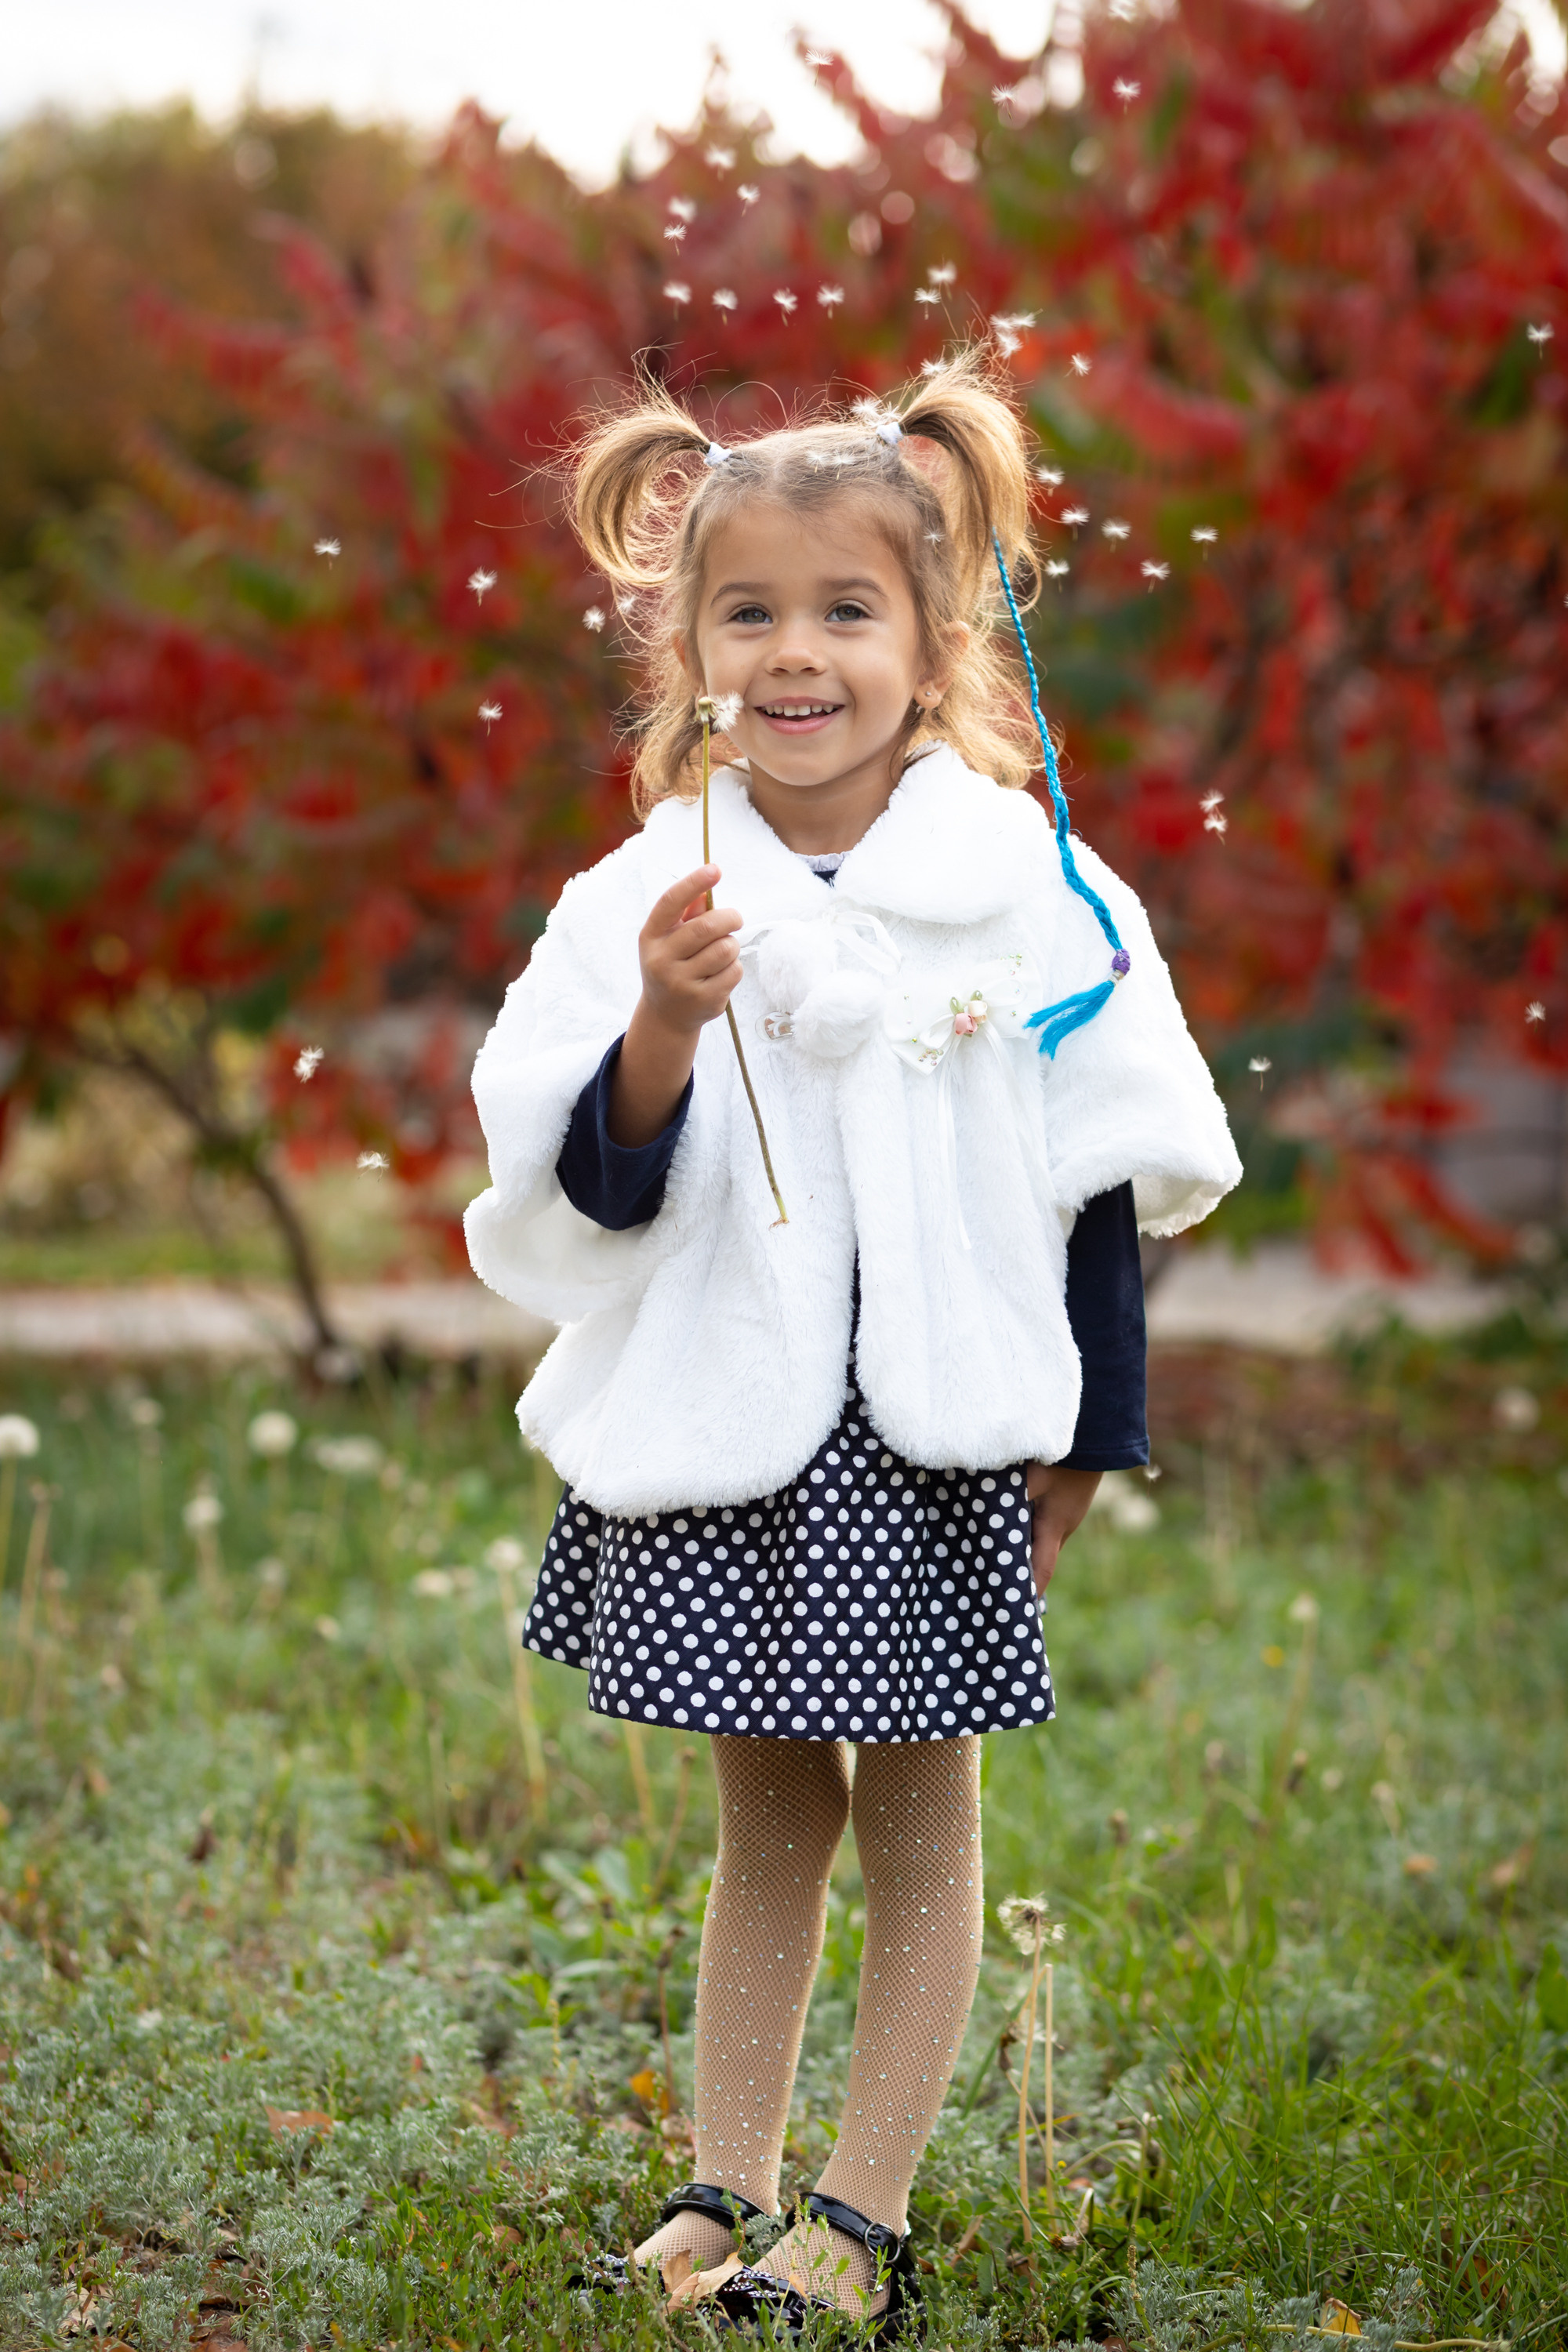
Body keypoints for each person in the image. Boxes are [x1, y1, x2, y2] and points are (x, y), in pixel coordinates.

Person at [464, 351, 1240, 2339]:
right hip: (735, 1437)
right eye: (749, 612)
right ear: (687, 646)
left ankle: (860, 2216)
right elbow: (592, 1200)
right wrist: (654, 1026)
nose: (795, 654)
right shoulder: (642, 897)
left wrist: (1085, 1442)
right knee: (763, 1822)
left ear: (930, 630)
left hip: (934, 1439)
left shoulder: (1024, 896)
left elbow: (1096, 1180)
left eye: (843, 609)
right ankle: (723, 2184)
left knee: (914, 1823)